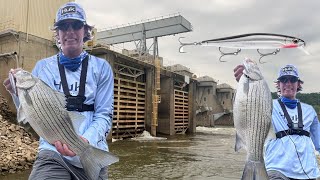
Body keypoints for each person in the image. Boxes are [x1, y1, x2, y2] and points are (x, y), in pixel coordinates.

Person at [3, 2, 114, 180]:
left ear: (86, 31)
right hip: (52, 153)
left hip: (92, 149)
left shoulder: (102, 68)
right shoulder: (42, 67)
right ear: (57, 34)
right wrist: (17, 94)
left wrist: (85, 142)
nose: (69, 31)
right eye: (63, 26)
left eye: (76, 25)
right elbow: (28, 117)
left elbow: (104, 115)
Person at [234, 63, 320, 179]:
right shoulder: (268, 104)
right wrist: (244, 82)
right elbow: (248, 105)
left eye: (292, 80)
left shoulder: (310, 110)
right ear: (278, 84)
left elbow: (318, 143)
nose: (288, 83)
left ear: (298, 84)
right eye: (284, 80)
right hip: (277, 171)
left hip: (309, 173)